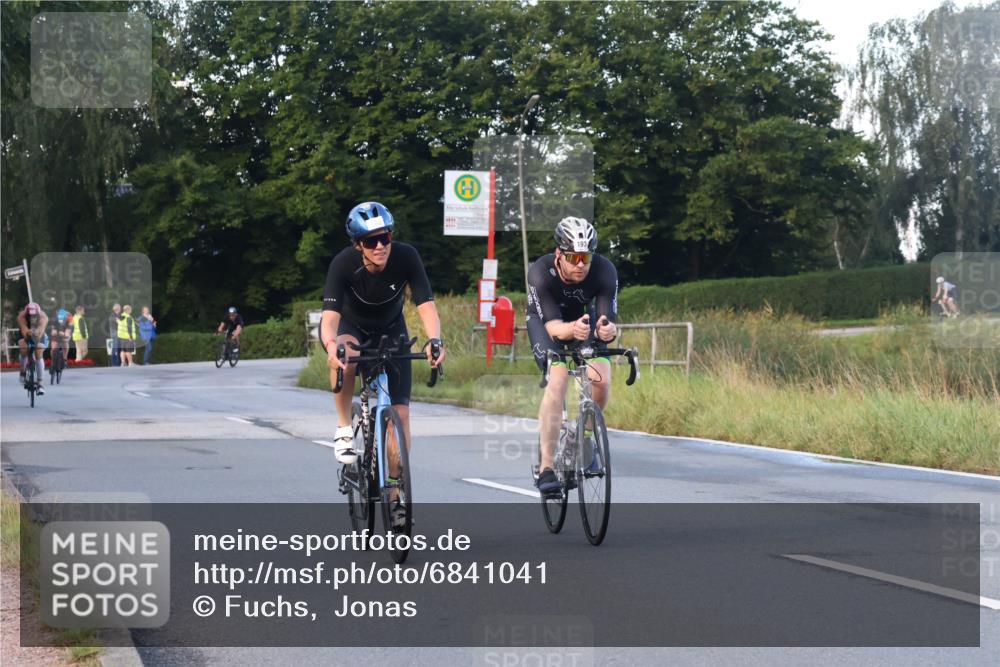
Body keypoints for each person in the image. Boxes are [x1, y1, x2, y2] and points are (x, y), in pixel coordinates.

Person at [320, 201, 445, 525]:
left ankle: (394, 492)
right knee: (346, 359)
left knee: (400, 417)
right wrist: (332, 346)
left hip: (391, 332)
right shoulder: (343, 264)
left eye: (385, 238)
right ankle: (344, 427)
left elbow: (426, 305)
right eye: (371, 241)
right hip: (353, 330)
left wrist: (435, 341)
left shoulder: (406, 256)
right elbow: (330, 320)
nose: (380, 246)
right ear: (358, 244)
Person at [526, 217, 619, 494]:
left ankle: (583, 439)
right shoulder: (540, 272)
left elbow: (607, 319)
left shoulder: (604, 270)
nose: (581, 264)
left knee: (601, 381)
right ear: (559, 254)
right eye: (574, 257)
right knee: (558, 380)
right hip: (546, 324)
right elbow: (553, 327)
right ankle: (546, 469)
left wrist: (608, 330)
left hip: (583, 321)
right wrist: (572, 330)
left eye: (586, 257)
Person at [17, 302, 49, 395]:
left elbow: (40, 331)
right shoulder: (21, 316)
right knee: (23, 347)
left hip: (40, 335)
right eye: (30, 317)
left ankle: (40, 383)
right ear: (26, 315)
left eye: (34, 316)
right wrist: (28, 333)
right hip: (26, 334)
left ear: (38, 315)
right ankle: (22, 371)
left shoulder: (43, 317)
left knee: (38, 351)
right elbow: (24, 331)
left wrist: (36, 332)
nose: (32, 319)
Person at [49, 308, 72, 373]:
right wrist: (54, 332)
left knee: (65, 341)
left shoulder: (69, 318)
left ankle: (65, 360)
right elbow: (53, 330)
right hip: (57, 330)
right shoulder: (55, 319)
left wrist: (65, 334)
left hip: (66, 330)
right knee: (54, 346)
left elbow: (69, 330)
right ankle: (53, 362)